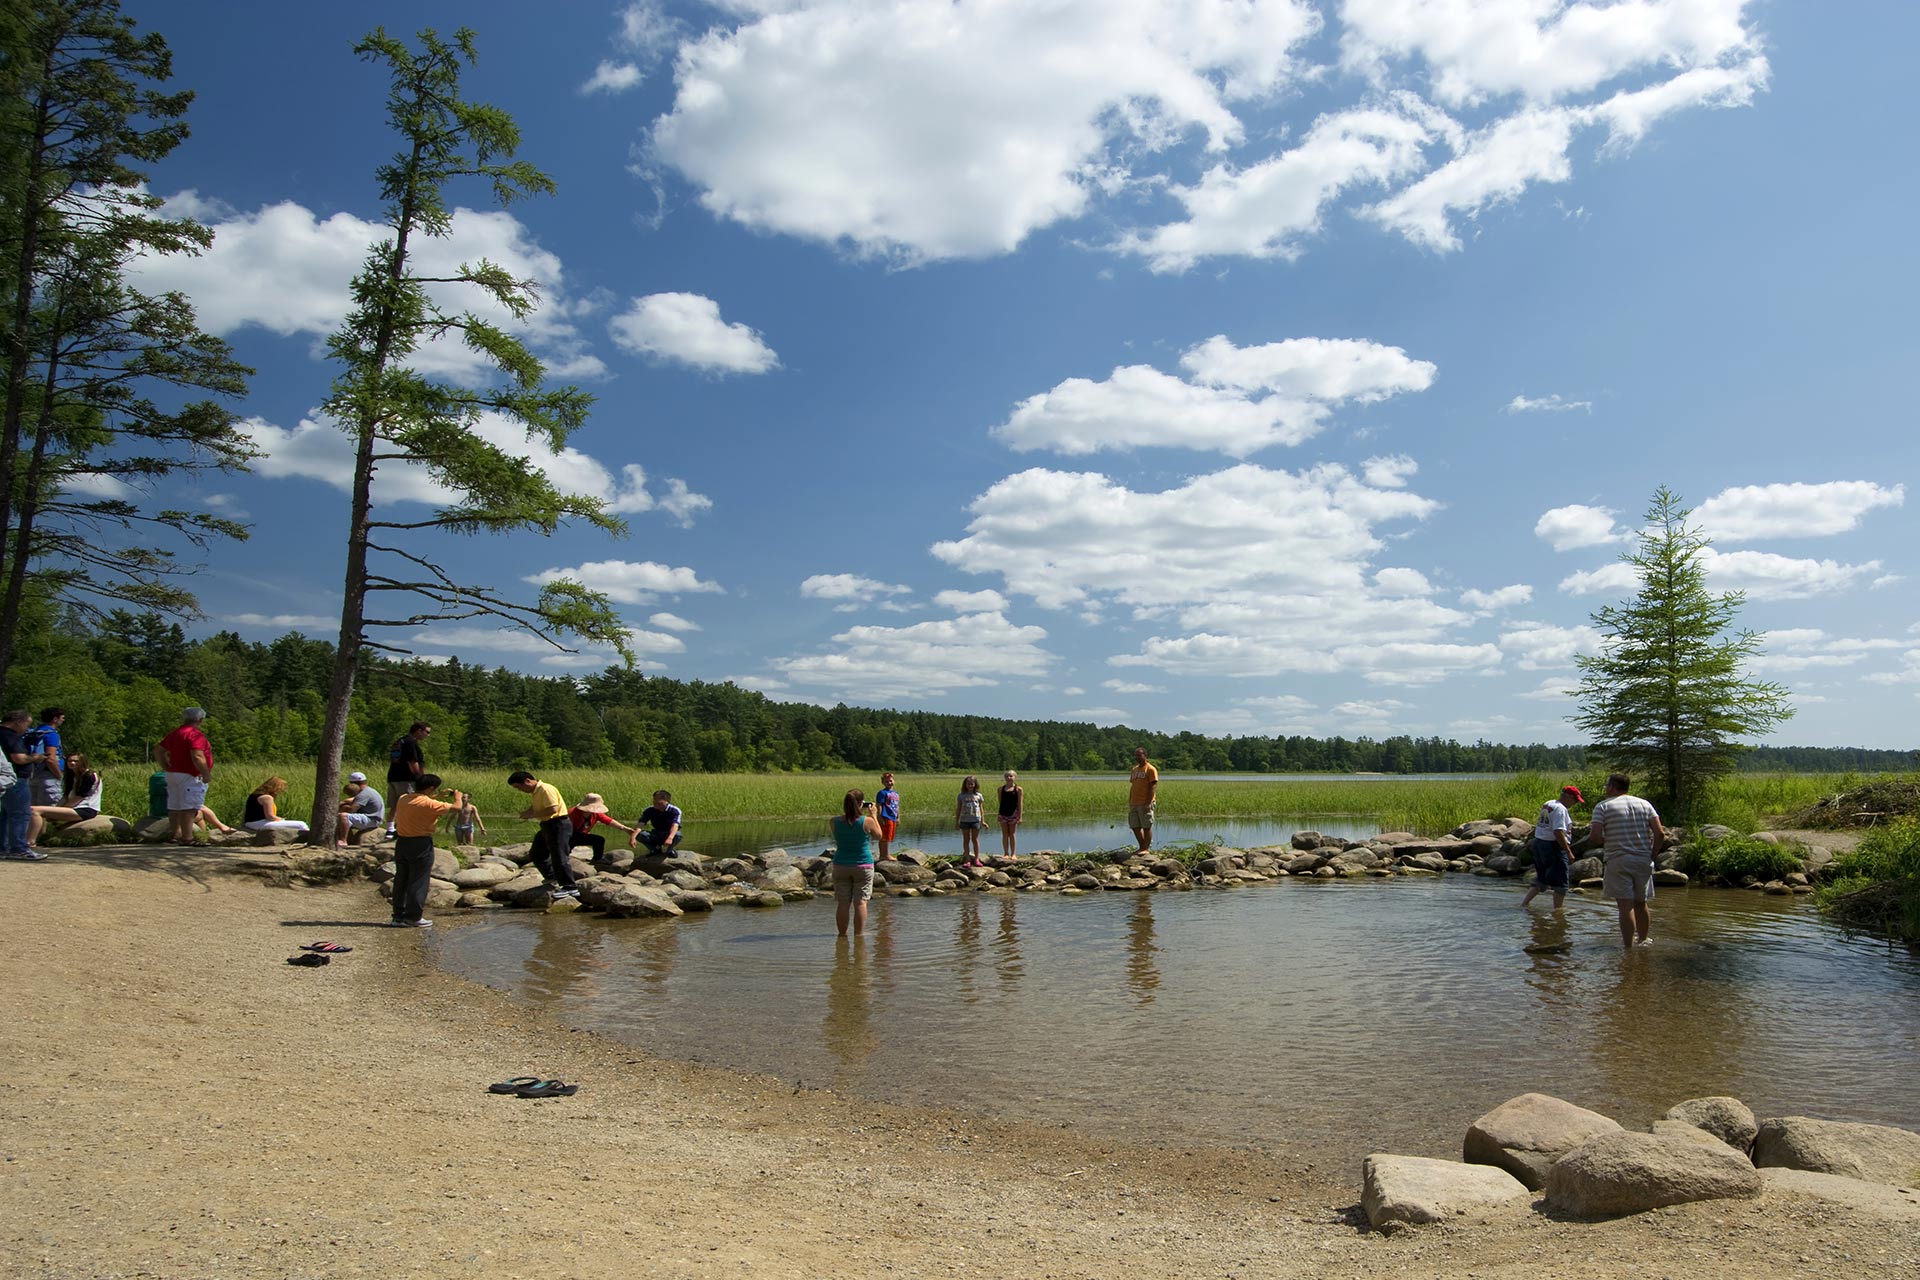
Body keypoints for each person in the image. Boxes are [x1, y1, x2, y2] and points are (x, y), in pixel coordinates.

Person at [1587, 772, 1668, 950]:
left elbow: (1594, 836)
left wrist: (1608, 839)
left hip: (1617, 859)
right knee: (1641, 903)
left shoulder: (1603, 806)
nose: (1605, 789)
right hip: (1643, 859)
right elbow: (1660, 833)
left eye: (1607, 785)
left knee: (1625, 905)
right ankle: (1644, 940)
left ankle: (1628, 947)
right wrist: (1653, 854)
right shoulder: (1645, 804)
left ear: (1613, 787)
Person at [390, 774, 461, 928]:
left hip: (402, 843)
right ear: (430, 788)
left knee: (401, 880)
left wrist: (438, 795)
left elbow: (420, 800)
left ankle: (398, 917)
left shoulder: (403, 798)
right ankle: (414, 917)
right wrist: (458, 797)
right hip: (420, 843)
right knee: (419, 880)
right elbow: (457, 808)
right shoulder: (429, 804)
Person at [509, 769, 578, 900]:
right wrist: (527, 812)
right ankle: (552, 877)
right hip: (548, 825)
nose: (520, 790)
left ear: (527, 781)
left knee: (559, 856)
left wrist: (532, 815)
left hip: (558, 824)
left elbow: (553, 809)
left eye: (519, 787)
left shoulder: (546, 789)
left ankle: (570, 887)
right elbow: (536, 807)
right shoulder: (536, 792)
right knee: (536, 853)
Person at [1520, 784, 1583, 911]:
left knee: (1541, 879)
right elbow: (1558, 832)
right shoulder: (1560, 809)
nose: (1575, 803)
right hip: (1553, 847)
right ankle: (1558, 913)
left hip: (1539, 844)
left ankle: (1524, 904)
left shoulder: (1549, 803)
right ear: (1568, 797)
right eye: (1575, 800)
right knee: (1561, 884)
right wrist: (1568, 852)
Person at [830, 788, 884, 937]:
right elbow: (879, 836)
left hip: (841, 864)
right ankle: (858, 936)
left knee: (843, 903)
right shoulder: (866, 821)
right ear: (861, 803)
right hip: (863, 865)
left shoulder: (834, 821)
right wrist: (874, 816)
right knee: (860, 902)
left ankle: (842, 936)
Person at [160, 707, 214, 845]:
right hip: (190, 774)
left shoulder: (175, 733)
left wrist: (165, 766)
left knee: (175, 806)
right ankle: (187, 838)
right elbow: (197, 755)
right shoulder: (195, 735)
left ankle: (175, 835)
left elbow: (158, 750)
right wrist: (205, 773)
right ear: (200, 720)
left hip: (173, 773)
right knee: (189, 807)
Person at [28, 752, 106, 845]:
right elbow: (66, 796)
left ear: (82, 762)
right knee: (41, 812)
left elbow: (79, 797)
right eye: (70, 761)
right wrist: (56, 809)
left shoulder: (89, 776)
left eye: (76, 761)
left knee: (34, 810)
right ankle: (40, 838)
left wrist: (61, 809)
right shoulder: (72, 776)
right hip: (74, 808)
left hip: (86, 809)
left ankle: (30, 842)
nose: (72, 763)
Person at [1, 709, 40, 860]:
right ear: (18, 721)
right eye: (26, 724)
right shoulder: (11, 736)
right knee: (20, 813)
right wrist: (35, 758)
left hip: (3, 781)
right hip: (15, 779)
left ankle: (3, 847)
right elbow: (18, 758)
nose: (27, 729)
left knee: (5, 815)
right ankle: (18, 848)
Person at [384, 722, 431, 837]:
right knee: (408, 803)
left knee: (395, 804)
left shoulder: (400, 741)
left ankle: (390, 829)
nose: (428, 735)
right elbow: (413, 761)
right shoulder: (411, 742)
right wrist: (420, 777)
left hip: (393, 776)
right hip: (406, 778)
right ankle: (403, 829)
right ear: (419, 730)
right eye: (427, 732)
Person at [567, 792, 638, 860]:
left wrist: (625, 829)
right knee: (565, 852)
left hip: (579, 835)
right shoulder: (572, 813)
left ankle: (597, 860)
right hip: (568, 835)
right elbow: (563, 828)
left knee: (599, 840)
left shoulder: (595, 814)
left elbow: (609, 821)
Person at [24, 707, 66, 806]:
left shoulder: (35, 732)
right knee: (49, 811)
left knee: (34, 810)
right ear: (55, 719)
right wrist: (59, 775)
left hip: (33, 774)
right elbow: (50, 758)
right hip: (49, 775)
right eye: (62, 718)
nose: (63, 720)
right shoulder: (51, 734)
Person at [242, 776, 310, 837]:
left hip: (250, 823)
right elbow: (270, 816)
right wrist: (281, 819)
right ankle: (308, 838)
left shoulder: (254, 795)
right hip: (260, 823)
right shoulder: (267, 798)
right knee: (301, 824)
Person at [333, 772, 385, 848]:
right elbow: (353, 800)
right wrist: (343, 802)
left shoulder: (364, 794)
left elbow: (352, 809)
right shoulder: (368, 791)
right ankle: (349, 839)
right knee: (343, 817)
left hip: (372, 819)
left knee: (343, 816)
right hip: (372, 818)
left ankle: (343, 840)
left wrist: (342, 808)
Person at [1128, 747, 1158, 853]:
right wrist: (1130, 799)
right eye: (1136, 755)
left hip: (1145, 802)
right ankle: (1142, 846)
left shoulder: (1150, 769)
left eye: (1139, 755)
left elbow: (1153, 787)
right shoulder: (1134, 769)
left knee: (1146, 826)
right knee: (1134, 826)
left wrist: (1148, 802)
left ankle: (1146, 848)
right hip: (1134, 803)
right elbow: (1133, 786)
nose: (1137, 757)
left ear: (1145, 755)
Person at [635, 789, 683, 855]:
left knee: (678, 835)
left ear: (667, 801)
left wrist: (670, 838)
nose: (656, 801)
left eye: (659, 799)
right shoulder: (649, 810)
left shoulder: (674, 810)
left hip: (669, 833)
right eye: (655, 799)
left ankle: (669, 850)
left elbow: (675, 825)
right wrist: (633, 837)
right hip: (656, 834)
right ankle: (655, 849)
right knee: (639, 834)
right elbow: (640, 825)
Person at [955, 774, 985, 867]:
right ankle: (967, 859)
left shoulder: (978, 795)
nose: (970, 786)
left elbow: (981, 809)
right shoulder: (961, 796)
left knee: (975, 839)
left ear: (975, 785)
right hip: (964, 820)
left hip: (975, 820)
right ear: (965, 785)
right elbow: (958, 809)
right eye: (968, 784)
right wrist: (957, 822)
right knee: (966, 839)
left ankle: (976, 858)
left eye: (972, 784)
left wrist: (983, 821)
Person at [997, 770, 1024, 858]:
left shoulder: (1018, 789)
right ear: (1005, 778)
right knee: (1005, 834)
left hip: (1013, 814)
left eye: (1011, 776)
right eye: (1007, 776)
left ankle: (1013, 853)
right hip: (1003, 813)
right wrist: (999, 814)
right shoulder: (1001, 789)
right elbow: (1000, 802)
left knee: (1012, 834)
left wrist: (1020, 817)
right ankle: (1005, 853)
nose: (1009, 778)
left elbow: (1020, 804)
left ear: (1015, 777)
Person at [874, 772, 901, 860]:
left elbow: (897, 806)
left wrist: (898, 817)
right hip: (886, 816)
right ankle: (884, 855)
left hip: (893, 816)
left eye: (890, 781)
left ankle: (885, 854)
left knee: (889, 836)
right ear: (883, 783)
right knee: (884, 837)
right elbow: (879, 805)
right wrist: (880, 816)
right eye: (886, 782)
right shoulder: (882, 793)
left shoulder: (896, 793)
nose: (889, 783)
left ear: (894, 781)